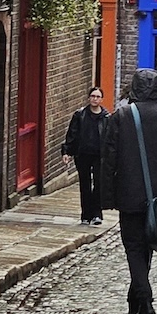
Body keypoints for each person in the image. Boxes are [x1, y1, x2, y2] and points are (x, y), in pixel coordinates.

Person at [101, 68, 157, 314]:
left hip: (128, 193)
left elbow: (108, 159)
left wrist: (107, 196)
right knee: (147, 245)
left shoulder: (122, 116)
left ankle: (143, 297)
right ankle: (136, 297)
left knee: (135, 247)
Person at [63, 87, 108, 226]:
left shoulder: (107, 117)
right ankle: (85, 215)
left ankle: (97, 214)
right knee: (85, 184)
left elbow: (110, 138)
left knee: (99, 184)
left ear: (101, 99)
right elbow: (72, 134)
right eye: (92, 96)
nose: (95, 99)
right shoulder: (80, 115)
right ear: (89, 98)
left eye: (97, 96)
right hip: (83, 154)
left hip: (99, 155)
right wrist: (66, 152)